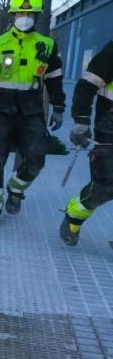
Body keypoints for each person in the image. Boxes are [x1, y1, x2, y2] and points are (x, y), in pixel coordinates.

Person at [0, 0, 65, 226]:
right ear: (13, 15)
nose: (25, 17)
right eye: (20, 13)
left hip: (31, 110)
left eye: (29, 13)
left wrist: (59, 107)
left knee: (36, 157)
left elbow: (54, 80)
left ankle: (16, 189)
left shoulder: (47, 46)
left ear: (36, 16)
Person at [61, 40, 113, 245]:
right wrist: (81, 121)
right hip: (110, 129)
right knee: (107, 184)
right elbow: (86, 86)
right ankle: (74, 217)